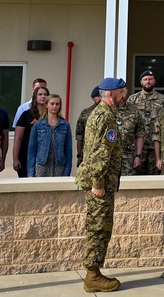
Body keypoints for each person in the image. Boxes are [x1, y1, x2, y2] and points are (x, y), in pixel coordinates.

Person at [76, 76, 128, 293]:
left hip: (102, 181)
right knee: (99, 229)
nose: (124, 95)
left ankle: (94, 273)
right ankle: (93, 276)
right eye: (121, 91)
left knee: (98, 227)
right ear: (110, 94)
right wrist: (98, 183)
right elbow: (100, 153)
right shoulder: (106, 117)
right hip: (100, 184)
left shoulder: (102, 113)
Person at [127, 69, 164, 175]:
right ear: (141, 82)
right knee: (136, 178)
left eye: (150, 79)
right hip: (137, 147)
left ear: (154, 81)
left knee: (155, 178)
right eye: (145, 79)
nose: (148, 81)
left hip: (156, 147)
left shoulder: (163, 100)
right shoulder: (132, 100)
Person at [28, 94, 73, 177]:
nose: (54, 106)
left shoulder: (65, 125)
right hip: (42, 165)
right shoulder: (38, 125)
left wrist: (67, 170)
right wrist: (31, 173)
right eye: (52, 104)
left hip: (59, 165)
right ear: (46, 105)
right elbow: (32, 149)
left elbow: (68, 150)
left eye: (57, 104)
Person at [12, 84, 49, 177]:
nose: (43, 96)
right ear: (35, 97)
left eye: (45, 94)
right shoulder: (26, 115)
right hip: (26, 155)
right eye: (40, 94)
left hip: (46, 156)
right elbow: (18, 138)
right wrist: (15, 159)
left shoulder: (52, 116)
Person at [75, 85, 102, 165]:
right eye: (98, 96)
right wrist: (79, 155)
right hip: (88, 154)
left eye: (102, 96)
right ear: (93, 98)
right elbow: (79, 135)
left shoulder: (111, 112)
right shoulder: (86, 113)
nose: (100, 99)